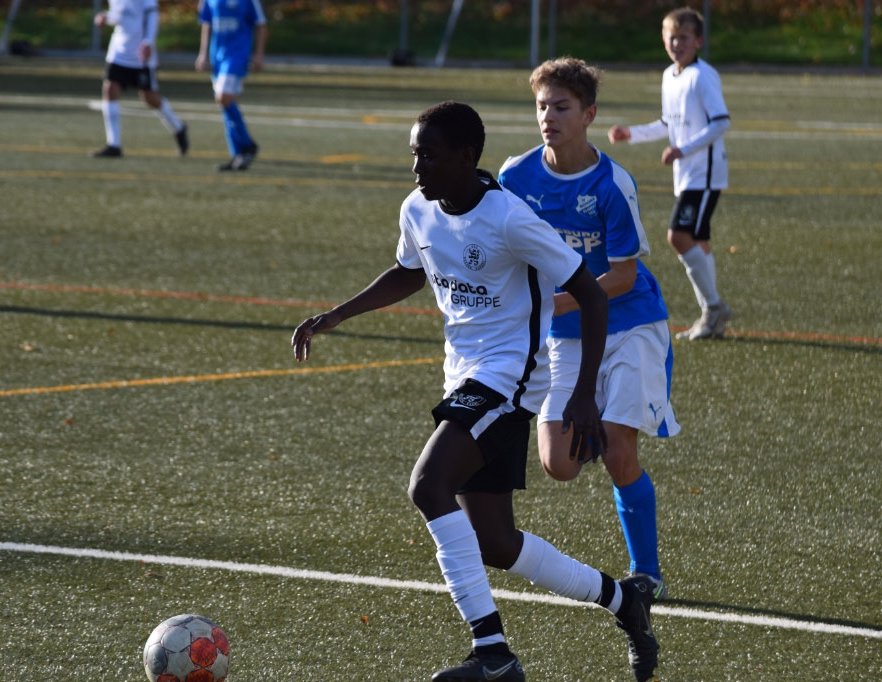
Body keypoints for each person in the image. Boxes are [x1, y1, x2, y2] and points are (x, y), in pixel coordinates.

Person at [292, 101, 659, 682]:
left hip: (512, 377)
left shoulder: (510, 218)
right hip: (464, 375)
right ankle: (623, 601)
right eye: (415, 155)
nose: (418, 168)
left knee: (427, 484)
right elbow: (410, 269)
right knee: (495, 541)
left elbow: (591, 293)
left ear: (466, 157)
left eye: (430, 156)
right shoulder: (417, 208)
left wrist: (583, 394)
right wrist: (339, 313)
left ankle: (492, 653)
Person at [499, 57, 680, 604]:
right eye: (541, 107)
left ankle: (646, 573)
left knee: (621, 452)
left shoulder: (611, 184)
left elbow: (622, 276)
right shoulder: (515, 177)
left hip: (630, 325)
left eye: (561, 107)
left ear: (589, 114)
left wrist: (547, 303)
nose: (548, 117)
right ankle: (597, 423)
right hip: (566, 335)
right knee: (559, 464)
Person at [608, 7, 732, 340]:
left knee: (678, 236)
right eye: (671, 37)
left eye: (684, 37)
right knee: (698, 240)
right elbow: (668, 123)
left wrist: (683, 149)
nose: (677, 44)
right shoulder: (669, 76)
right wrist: (631, 133)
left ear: (699, 41)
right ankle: (712, 316)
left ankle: (713, 307)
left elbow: (721, 122)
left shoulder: (702, 76)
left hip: (704, 173)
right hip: (687, 173)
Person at [93, 0, 189, 158]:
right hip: (119, 51)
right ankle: (114, 144)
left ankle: (178, 127)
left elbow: (152, 14)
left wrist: (148, 42)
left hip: (140, 54)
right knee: (109, 90)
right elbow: (118, 14)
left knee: (149, 97)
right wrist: (106, 17)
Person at [196, 0, 267, 171]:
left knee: (223, 97)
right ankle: (238, 154)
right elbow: (207, 23)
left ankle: (248, 145)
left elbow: (261, 24)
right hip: (217, 56)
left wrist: (259, 54)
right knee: (225, 103)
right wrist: (203, 53)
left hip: (237, 55)